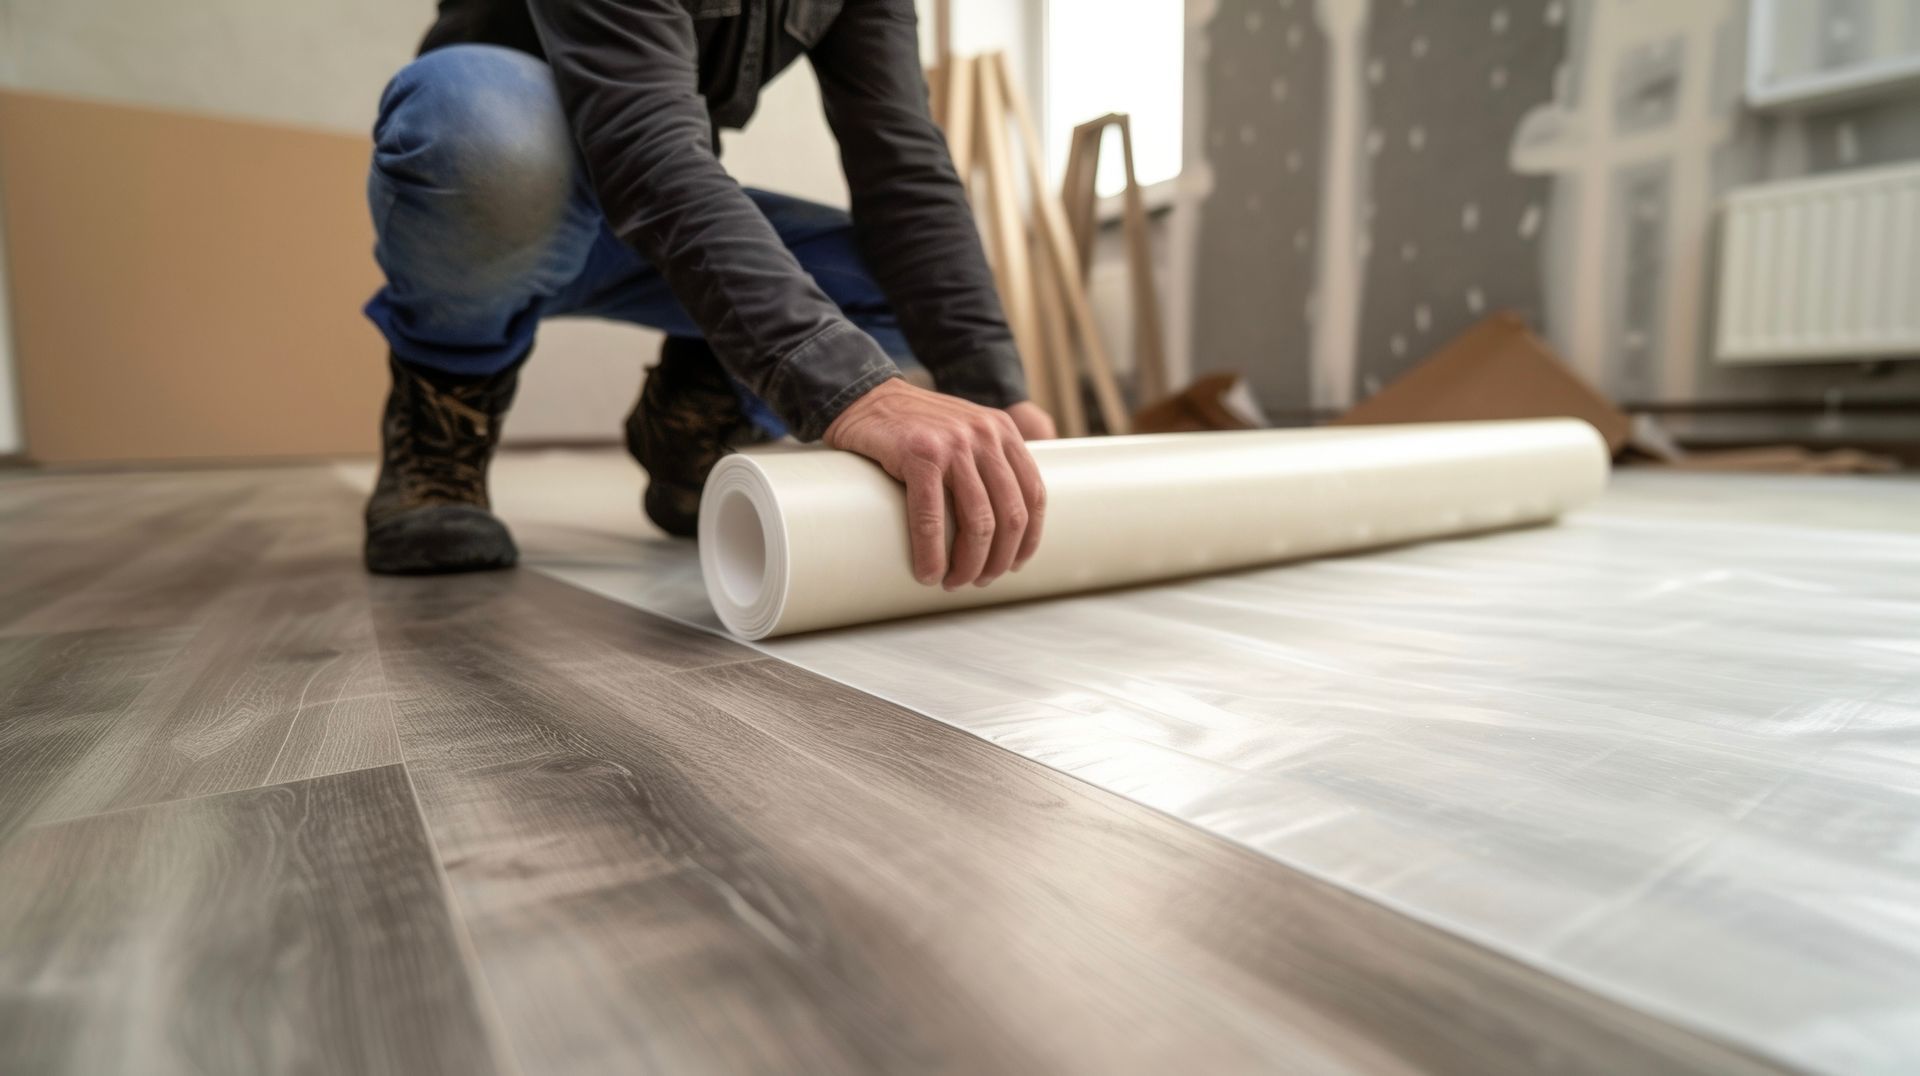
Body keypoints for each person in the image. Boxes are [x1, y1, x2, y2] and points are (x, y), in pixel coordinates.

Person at [361, 0, 1053, 590]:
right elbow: (644, 141)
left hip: (644, 224)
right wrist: (857, 392)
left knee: (893, 289)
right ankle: (440, 418)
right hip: (496, 207)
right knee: (485, 128)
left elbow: (905, 169)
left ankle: (691, 433)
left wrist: (990, 391)